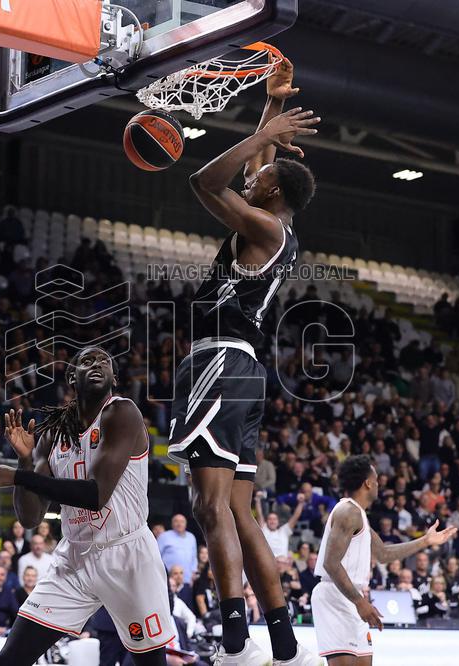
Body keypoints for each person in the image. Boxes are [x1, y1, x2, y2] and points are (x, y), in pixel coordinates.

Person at [165, 58, 320, 666]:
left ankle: (234, 642)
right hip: (244, 371)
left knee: (208, 506)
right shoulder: (271, 223)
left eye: (262, 177)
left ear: (273, 194)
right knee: (237, 508)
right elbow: (256, 170)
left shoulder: (263, 226)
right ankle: (282, 640)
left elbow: (205, 181)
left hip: (221, 365)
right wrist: (270, 109)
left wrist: (262, 138)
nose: (251, 177)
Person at [0, 345, 176, 665]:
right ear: (71, 377)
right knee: (10, 658)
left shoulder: (122, 413)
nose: (96, 365)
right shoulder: (50, 435)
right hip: (74, 556)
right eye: (86, 361)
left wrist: (20, 478)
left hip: (127, 554)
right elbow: (31, 516)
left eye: (104, 361)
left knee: (151, 663)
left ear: (113, 378)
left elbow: (95, 496)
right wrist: (23, 462)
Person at [312, 456, 456, 665]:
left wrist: (425, 541)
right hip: (336, 596)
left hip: (352, 596)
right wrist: (360, 602)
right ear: (367, 483)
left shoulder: (358, 515)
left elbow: (383, 554)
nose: (379, 484)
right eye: (376, 479)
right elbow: (331, 564)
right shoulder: (347, 512)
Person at [255, 491, 305, 558]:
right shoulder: (264, 529)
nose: (272, 521)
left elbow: (295, 517)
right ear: (266, 522)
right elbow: (259, 515)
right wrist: (257, 500)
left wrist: (301, 503)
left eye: (274, 519)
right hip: (266, 563)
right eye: (270, 519)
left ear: (278, 522)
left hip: (282, 564)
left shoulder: (284, 531)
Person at [157, 514, 198, 586]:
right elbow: (156, 556)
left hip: (187, 580)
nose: (179, 524)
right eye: (176, 521)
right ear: (172, 524)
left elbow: (194, 557)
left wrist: (194, 573)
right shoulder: (164, 536)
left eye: (182, 522)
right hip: (168, 580)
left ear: (186, 524)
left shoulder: (191, 537)